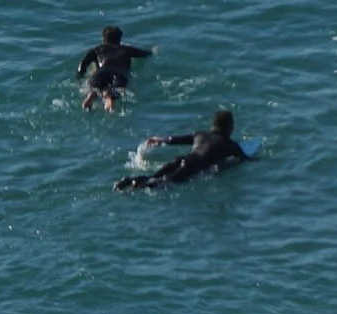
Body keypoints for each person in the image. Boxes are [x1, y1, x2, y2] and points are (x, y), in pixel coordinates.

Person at [115, 110, 249, 191]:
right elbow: (243, 159)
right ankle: (135, 186)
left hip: (180, 160)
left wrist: (161, 140)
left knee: (153, 178)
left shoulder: (200, 134)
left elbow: (177, 139)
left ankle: (130, 180)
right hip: (192, 167)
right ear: (229, 127)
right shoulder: (230, 144)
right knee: (161, 184)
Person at [77, 25, 152, 113]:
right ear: (120, 39)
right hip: (119, 73)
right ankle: (109, 98)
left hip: (101, 73)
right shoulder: (127, 49)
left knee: (95, 88)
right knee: (115, 92)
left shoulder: (97, 50)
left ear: (103, 39)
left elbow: (82, 65)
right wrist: (153, 50)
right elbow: (145, 54)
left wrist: (79, 76)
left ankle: (92, 94)